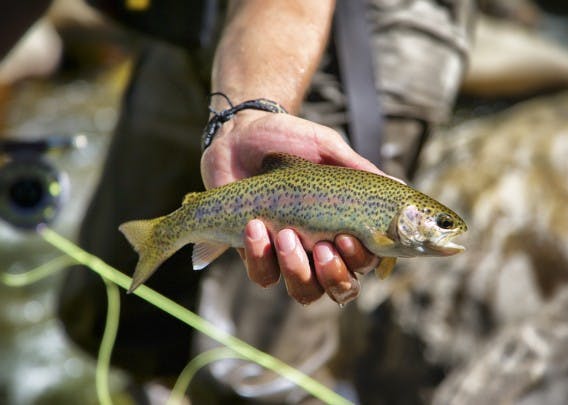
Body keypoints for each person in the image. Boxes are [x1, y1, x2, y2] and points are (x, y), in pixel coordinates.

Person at [1, 0, 473, 402]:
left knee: (252, 375)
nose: (448, 230)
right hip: (191, 20)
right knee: (110, 318)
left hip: (361, 30)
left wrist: (247, 111)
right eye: (443, 223)